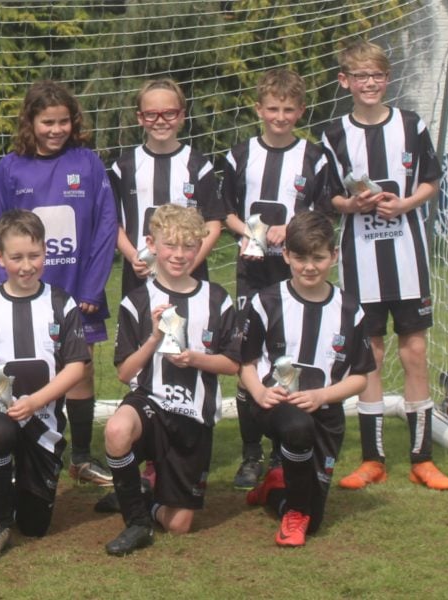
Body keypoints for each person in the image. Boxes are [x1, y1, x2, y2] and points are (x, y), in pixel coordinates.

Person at [321, 40, 448, 491]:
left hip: (408, 259)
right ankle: (372, 459)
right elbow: (328, 197)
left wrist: (406, 204)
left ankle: (423, 458)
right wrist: (352, 204)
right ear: (346, 82)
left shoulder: (412, 125)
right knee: (371, 355)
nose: (370, 83)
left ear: (387, 79)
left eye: (376, 75)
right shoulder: (334, 134)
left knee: (414, 352)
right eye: (361, 76)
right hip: (361, 263)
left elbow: (431, 180)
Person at [0, 80, 117, 486]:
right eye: (47, 122)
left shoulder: (88, 163)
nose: (56, 130)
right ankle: (22, 451)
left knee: (81, 369)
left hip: (79, 289)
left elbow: (106, 225)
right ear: (31, 122)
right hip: (26, 290)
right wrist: (7, 288)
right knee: (25, 367)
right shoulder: (10, 167)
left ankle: (81, 457)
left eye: (63, 121)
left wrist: (93, 286)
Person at [221, 69, 337, 490]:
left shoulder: (315, 157)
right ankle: (251, 453)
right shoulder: (239, 154)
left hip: (295, 271)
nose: (280, 116)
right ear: (259, 109)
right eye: (273, 108)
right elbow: (224, 210)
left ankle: (280, 449)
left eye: (289, 109)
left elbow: (325, 212)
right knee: (248, 358)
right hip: (253, 271)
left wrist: (289, 229)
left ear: (300, 111)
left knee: (287, 353)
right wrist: (249, 231)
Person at [0, 209, 90, 561]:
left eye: (34, 255)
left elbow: (76, 366)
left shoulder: (61, 303)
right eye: (16, 258)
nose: (26, 266)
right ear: (0, 258)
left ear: (46, 252)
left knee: (34, 525)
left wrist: (36, 401)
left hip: (42, 421)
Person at [103, 205, 239, 556]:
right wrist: (153, 339)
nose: (179, 255)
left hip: (193, 415)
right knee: (117, 430)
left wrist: (195, 359)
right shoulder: (136, 301)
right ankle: (136, 522)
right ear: (152, 244)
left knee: (179, 525)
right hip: (150, 401)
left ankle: (141, 498)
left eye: (188, 246)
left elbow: (233, 364)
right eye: (171, 245)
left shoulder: (218, 299)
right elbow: (124, 373)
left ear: (200, 247)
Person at [240, 211, 374, 547]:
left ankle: (276, 487)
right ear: (286, 255)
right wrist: (259, 392)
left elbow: (360, 378)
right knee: (298, 428)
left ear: (334, 256)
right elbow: (245, 363)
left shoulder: (351, 310)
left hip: (325, 411)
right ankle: (295, 512)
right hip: (276, 405)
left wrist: (322, 396)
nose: (309, 267)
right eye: (300, 258)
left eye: (318, 258)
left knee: (315, 521)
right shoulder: (266, 301)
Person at [109, 78, 223, 295]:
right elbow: (113, 223)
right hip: (139, 278)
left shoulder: (198, 165)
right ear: (140, 118)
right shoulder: (123, 167)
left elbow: (213, 223)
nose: (160, 121)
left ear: (181, 116)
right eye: (151, 114)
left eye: (169, 113)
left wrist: (190, 263)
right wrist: (133, 256)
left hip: (189, 276)